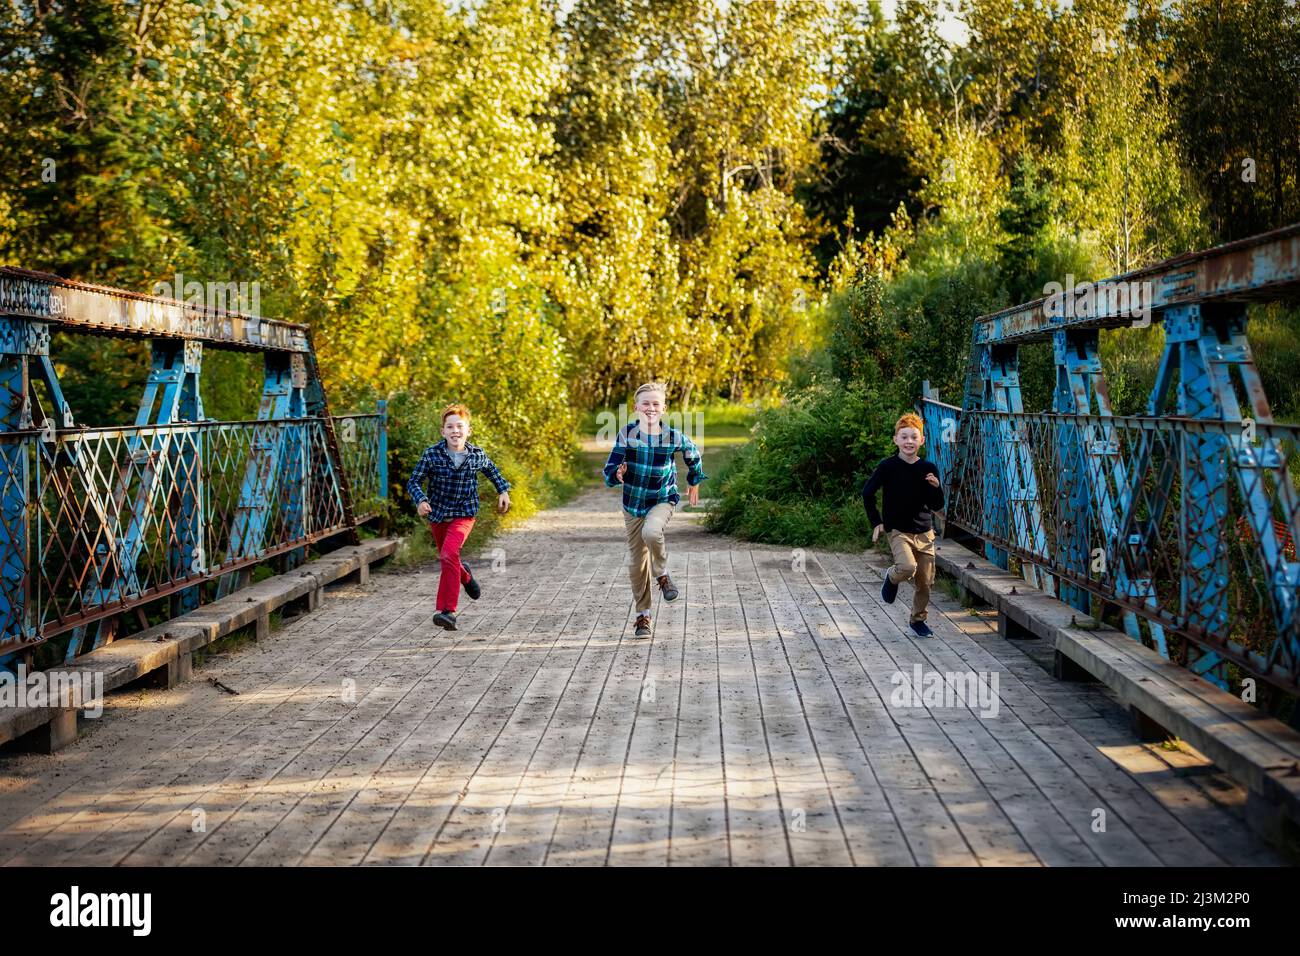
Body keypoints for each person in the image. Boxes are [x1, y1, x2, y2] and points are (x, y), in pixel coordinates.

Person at [603, 382, 706, 638]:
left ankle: (662, 574)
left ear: (664, 408)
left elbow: (693, 453)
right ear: (636, 407)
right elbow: (610, 471)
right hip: (633, 503)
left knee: (652, 532)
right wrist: (617, 474)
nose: (650, 408)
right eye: (645, 403)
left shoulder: (672, 436)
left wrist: (694, 480)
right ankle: (643, 617)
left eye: (655, 404)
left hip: (662, 498)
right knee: (637, 563)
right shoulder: (627, 435)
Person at [406, 404, 510, 631]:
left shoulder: (477, 455)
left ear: (468, 430)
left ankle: (447, 611)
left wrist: (503, 491)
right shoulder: (432, 455)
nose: (455, 431)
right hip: (438, 514)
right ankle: (465, 576)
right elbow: (413, 481)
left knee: (448, 555)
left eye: (459, 426)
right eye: (450, 427)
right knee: (449, 558)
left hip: (464, 513)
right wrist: (421, 500)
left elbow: (493, 472)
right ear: (443, 431)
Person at [862, 412, 944, 637]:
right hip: (898, 530)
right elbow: (867, 493)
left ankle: (918, 620)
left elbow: (937, 504)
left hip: (925, 532)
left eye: (914, 437)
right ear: (896, 440)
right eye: (904, 437)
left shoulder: (928, 468)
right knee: (907, 568)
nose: (909, 441)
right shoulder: (887, 466)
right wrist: (876, 521)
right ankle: (892, 576)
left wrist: (936, 487)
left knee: (925, 582)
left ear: (921, 441)